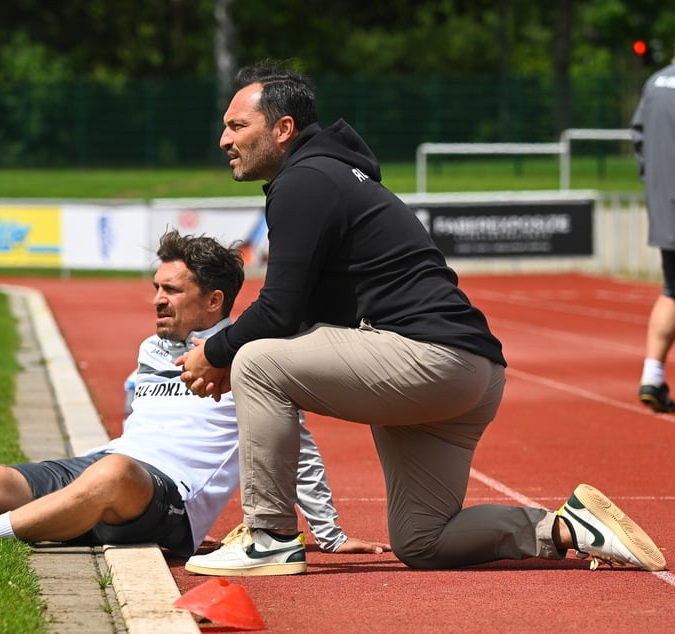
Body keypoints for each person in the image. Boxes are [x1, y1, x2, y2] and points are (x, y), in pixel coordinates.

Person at [177, 60, 666, 576]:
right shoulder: (330, 174)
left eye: (237, 126)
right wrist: (229, 354)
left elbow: (276, 311)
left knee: (255, 361)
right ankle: (568, 528)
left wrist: (215, 351)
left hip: (427, 359)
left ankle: (270, 536)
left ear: (282, 129)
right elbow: (302, 315)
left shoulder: (304, 181)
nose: (223, 140)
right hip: (471, 372)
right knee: (423, 541)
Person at [0, 230, 389, 558]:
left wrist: (331, 536)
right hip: (111, 467)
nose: (157, 300)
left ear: (214, 302)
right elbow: (139, 417)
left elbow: (299, 446)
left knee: (112, 474)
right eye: (155, 289)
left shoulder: (252, 359)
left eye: (172, 291)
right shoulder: (150, 349)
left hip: (167, 504)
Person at [631, 48, 675, 413]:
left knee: (672, 289)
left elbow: (639, 143)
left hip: (665, 207)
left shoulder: (654, 83)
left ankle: (652, 375)